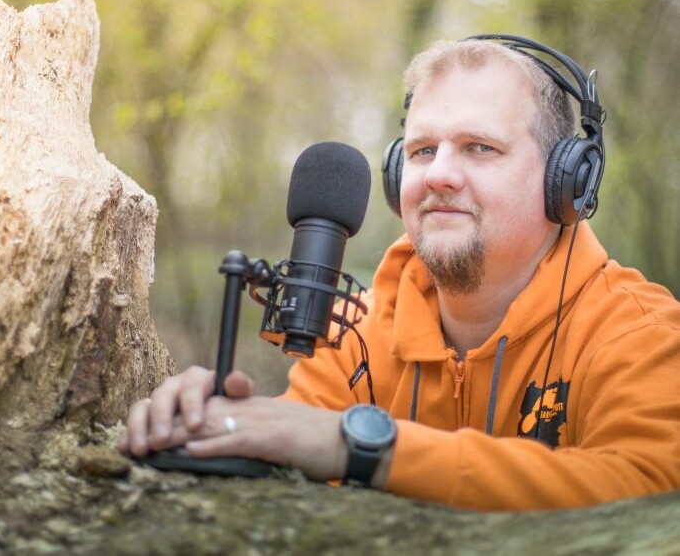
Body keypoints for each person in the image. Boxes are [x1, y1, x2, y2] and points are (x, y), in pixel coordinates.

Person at [121, 36, 680, 511]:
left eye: (480, 147)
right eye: (421, 150)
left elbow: (651, 487)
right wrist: (217, 420)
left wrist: (370, 449)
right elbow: (294, 442)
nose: (438, 175)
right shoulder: (353, 332)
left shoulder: (637, 334)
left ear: (567, 183)